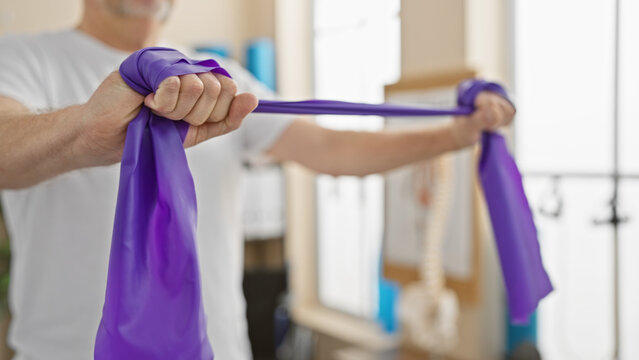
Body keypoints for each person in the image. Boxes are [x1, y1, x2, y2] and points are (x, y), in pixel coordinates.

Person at [0, 0, 515, 359]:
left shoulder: (220, 77)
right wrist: (87, 131)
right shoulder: (20, 58)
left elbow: (333, 150)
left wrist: (456, 134)